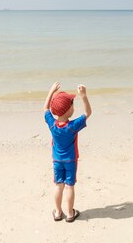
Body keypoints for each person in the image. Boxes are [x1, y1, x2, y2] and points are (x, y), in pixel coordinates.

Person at [43, 82, 92, 222]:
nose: (73, 106)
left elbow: (45, 108)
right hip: (70, 160)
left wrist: (51, 91)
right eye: (72, 104)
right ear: (69, 110)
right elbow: (88, 113)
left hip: (57, 160)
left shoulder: (52, 124)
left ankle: (58, 212)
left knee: (59, 185)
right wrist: (84, 96)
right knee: (69, 186)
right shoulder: (72, 126)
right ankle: (70, 214)